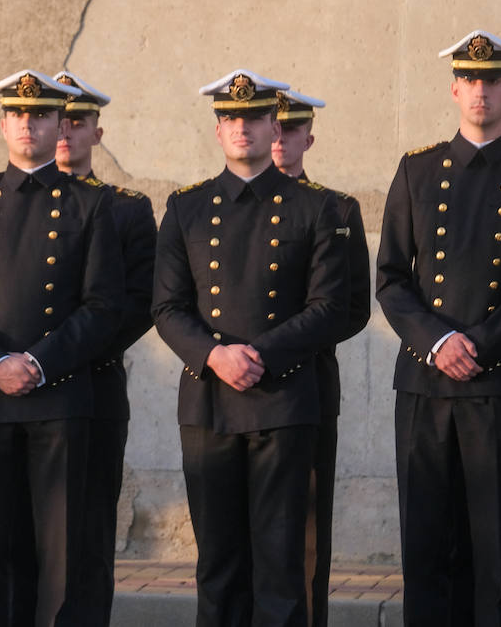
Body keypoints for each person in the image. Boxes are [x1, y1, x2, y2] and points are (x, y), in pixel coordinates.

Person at [153, 69, 349, 627]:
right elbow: (167, 306)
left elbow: (331, 306)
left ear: (273, 125)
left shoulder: (317, 208)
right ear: (218, 129)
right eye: (230, 119)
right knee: (218, 565)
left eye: (255, 118)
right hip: (209, 402)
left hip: (283, 404)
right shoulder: (186, 207)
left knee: (281, 566)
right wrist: (216, 355)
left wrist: (257, 354)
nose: (243, 128)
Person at [0, 69, 124, 627]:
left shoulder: (91, 204)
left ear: (59, 123)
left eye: (40, 114)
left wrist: (38, 363)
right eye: (18, 114)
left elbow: (102, 305)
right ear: (2, 124)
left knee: (59, 557)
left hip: (59, 396)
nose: (27, 124)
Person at [376, 30, 501, 625]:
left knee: (497, 550)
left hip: (497, 382)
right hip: (427, 387)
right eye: (471, 80)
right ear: (454, 87)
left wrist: (479, 342)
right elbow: (391, 279)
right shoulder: (419, 170)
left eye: (494, 79)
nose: (481, 91)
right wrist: (437, 341)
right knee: (427, 548)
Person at [50, 70, 157, 627]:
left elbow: (141, 302)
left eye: (79, 121)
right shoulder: (4, 202)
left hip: (94, 384)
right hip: (26, 391)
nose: (66, 131)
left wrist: (65, 355)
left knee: (90, 531)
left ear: (98, 131)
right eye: (58, 119)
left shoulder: (126, 208)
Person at [269, 88, 370, 627]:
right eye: (274, 127)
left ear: (309, 137)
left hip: (307, 385)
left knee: (306, 535)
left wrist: (292, 345)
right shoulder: (224, 206)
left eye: (292, 131)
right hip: (240, 392)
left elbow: (352, 308)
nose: (281, 140)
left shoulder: (339, 208)